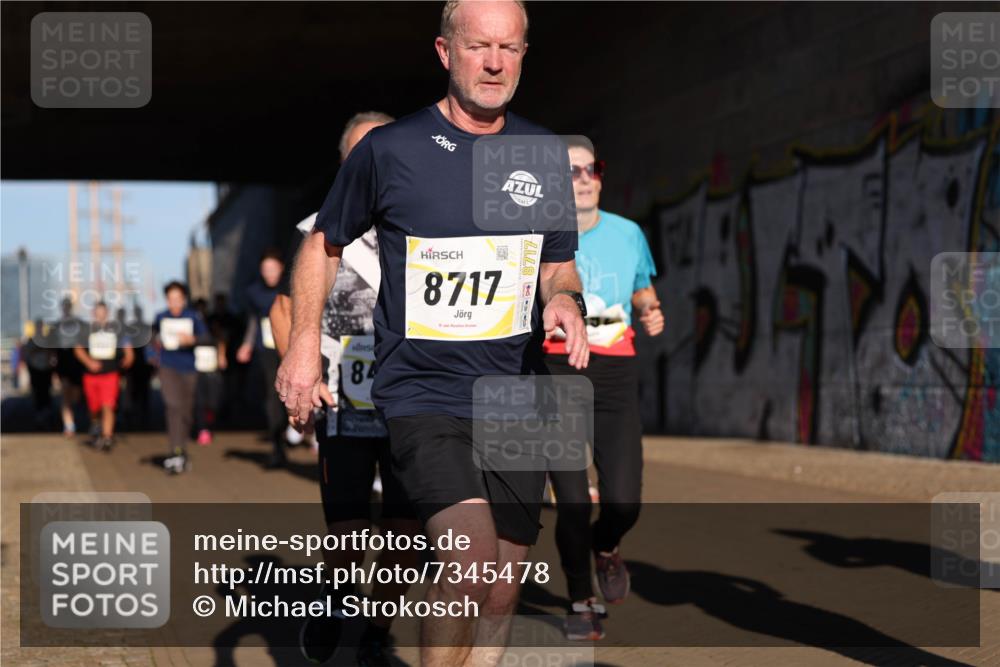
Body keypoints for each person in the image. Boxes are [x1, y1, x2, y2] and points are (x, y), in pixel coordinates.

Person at [276, 2, 589, 664]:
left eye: (510, 48)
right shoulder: (392, 151)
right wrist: (304, 344)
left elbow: (558, 264)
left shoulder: (541, 155)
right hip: (423, 389)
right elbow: (323, 245)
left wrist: (565, 301)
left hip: (518, 393)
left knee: (502, 584)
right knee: (469, 554)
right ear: (445, 52)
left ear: (525, 54)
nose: (495, 62)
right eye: (479, 46)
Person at [271, 110, 423, 666]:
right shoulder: (317, 229)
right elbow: (282, 308)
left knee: (407, 535)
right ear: (344, 164)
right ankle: (336, 601)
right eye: (360, 153)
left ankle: (378, 626)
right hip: (346, 401)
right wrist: (297, 370)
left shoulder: (428, 221)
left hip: (415, 403)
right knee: (349, 532)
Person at [542, 138, 664, 640]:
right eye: (573, 171)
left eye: (593, 168)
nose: (586, 177)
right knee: (572, 498)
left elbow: (641, 287)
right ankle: (579, 599)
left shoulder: (629, 232)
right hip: (555, 369)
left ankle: (606, 545)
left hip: (615, 369)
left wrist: (651, 308)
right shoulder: (537, 234)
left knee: (624, 502)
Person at [152, 281, 210, 474]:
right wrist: (153, 356)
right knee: (172, 405)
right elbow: (151, 340)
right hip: (168, 366)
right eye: (171, 299)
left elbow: (207, 337)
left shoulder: (193, 316)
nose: (174, 303)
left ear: (184, 300)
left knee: (185, 410)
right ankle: (174, 450)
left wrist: (192, 339)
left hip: (188, 368)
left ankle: (182, 448)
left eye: (178, 299)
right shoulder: (160, 317)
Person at [237, 248, 286, 467]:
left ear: (281, 268)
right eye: (264, 269)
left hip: (293, 347)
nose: (269, 273)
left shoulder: (292, 286)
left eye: (272, 269)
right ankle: (278, 447)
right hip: (267, 348)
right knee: (272, 396)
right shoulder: (254, 292)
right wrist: (246, 344)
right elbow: (254, 321)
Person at [74, 301, 135, 450]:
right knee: (94, 407)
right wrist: (88, 362)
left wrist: (129, 356)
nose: (101, 315)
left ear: (107, 313)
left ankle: (107, 436)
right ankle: (96, 423)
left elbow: (127, 347)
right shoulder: (86, 330)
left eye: (103, 312)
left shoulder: (116, 330)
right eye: (98, 312)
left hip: (110, 374)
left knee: (108, 404)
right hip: (91, 376)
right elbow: (78, 349)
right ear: (93, 313)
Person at [193, 298, 228, 445]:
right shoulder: (191, 324)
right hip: (196, 368)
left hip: (212, 368)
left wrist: (221, 355)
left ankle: (209, 422)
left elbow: (220, 339)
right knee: (199, 400)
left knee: (213, 401)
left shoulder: (212, 322)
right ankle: (202, 429)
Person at [53, 296, 86, 437]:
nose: (66, 308)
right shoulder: (56, 325)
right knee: (65, 393)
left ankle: (74, 414)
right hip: (63, 362)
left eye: (68, 305)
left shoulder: (79, 323)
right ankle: (69, 425)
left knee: (77, 395)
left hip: (77, 362)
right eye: (64, 305)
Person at [20, 318, 56, 429]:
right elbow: (26, 355)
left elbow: (51, 354)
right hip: (35, 371)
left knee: (46, 393)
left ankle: (47, 416)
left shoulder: (46, 340)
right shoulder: (31, 340)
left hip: (46, 370)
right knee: (37, 394)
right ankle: (39, 417)